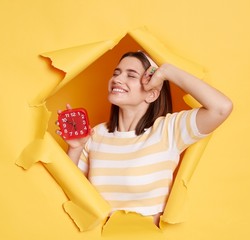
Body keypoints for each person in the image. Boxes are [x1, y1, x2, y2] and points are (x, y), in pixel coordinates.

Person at [57, 51, 233, 225]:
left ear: (152, 94)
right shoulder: (96, 135)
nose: (117, 79)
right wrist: (75, 148)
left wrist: (167, 72)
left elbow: (221, 108)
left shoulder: (168, 130)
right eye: (116, 73)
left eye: (131, 75)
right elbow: (73, 193)